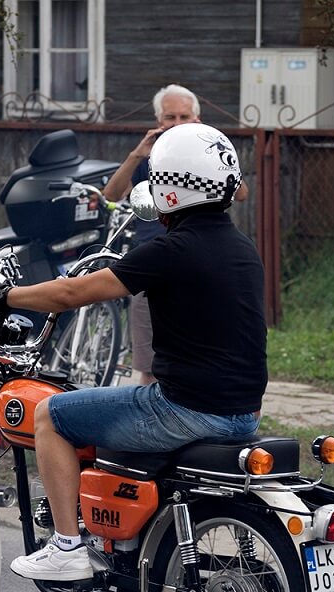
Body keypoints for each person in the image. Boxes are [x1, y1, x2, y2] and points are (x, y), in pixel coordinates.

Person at [0, 123, 266, 581]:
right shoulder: (243, 248)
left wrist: (5, 295)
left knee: (50, 414)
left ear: (170, 187)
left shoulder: (172, 249)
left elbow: (72, 295)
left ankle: (66, 546)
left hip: (184, 409)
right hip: (243, 414)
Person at [103, 84, 249, 385]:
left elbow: (242, 193)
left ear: (197, 118)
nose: (178, 123)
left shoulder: (209, 154)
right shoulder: (153, 156)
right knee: (148, 363)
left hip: (203, 262)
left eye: (185, 116)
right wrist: (137, 154)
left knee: (206, 350)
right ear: (159, 120)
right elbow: (112, 194)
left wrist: (212, 150)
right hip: (153, 263)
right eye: (170, 117)